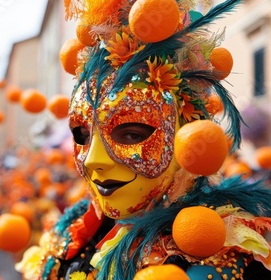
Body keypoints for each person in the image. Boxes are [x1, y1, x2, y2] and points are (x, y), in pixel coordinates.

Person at [15, 0, 271, 279]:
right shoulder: (71, 232)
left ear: (186, 135)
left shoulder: (213, 251)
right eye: (83, 135)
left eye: (132, 134)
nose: (93, 160)